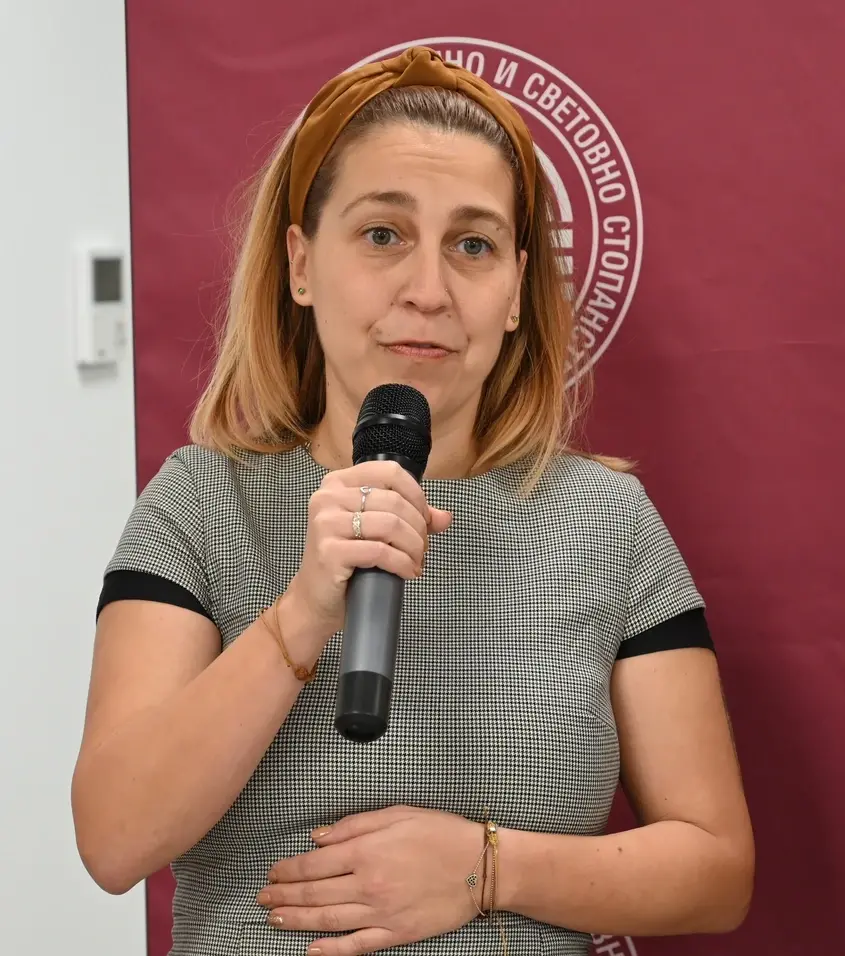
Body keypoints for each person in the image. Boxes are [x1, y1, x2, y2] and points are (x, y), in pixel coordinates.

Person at [71, 46, 754, 956]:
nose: (427, 292)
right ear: (301, 265)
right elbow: (114, 841)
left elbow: (716, 872)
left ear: (514, 291)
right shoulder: (201, 501)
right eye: (382, 235)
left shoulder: (606, 523)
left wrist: (486, 868)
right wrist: (302, 611)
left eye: (472, 246)